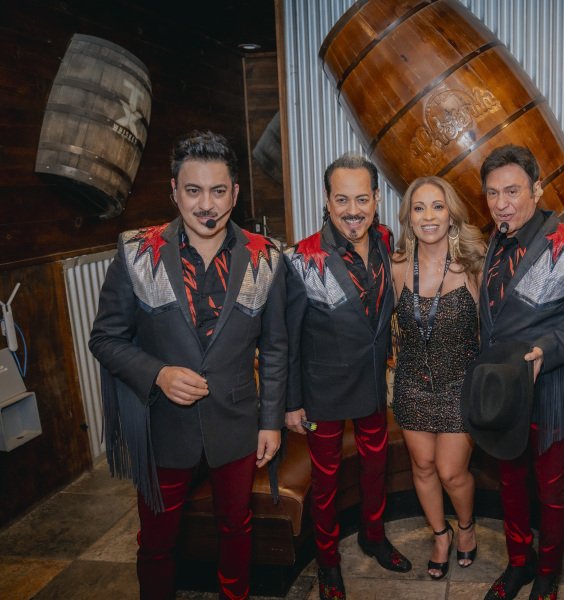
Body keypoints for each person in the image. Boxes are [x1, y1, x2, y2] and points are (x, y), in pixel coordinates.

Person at [89, 130, 287, 600]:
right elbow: (105, 338)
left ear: (234, 194)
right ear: (174, 190)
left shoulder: (267, 256)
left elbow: (276, 348)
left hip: (236, 424)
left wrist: (271, 422)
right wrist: (158, 374)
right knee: (157, 542)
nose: (206, 205)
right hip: (163, 428)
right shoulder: (136, 252)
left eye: (218, 191)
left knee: (236, 528)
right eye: (193, 190)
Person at [283, 153, 411, 600]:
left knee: (377, 466)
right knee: (326, 482)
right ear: (327, 199)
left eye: (362, 199)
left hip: (373, 383)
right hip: (323, 391)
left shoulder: (386, 239)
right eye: (342, 199)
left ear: (376, 199)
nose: (352, 210)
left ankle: (373, 536)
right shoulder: (301, 257)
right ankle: (328, 562)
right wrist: (292, 402)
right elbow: (287, 337)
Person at [474, 144, 564, 600]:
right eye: (493, 193)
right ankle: (519, 562)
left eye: (512, 191)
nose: (501, 203)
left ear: (537, 189)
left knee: (552, 491)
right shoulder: (494, 241)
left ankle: (548, 572)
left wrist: (546, 351)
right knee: (511, 484)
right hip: (504, 392)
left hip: (550, 388)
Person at [390, 175, 485, 580]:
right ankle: (440, 535)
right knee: (424, 465)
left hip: (460, 386)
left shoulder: (474, 264)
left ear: (451, 215)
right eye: (419, 207)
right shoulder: (396, 267)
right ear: (409, 218)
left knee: (450, 471)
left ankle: (466, 527)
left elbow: (492, 330)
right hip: (412, 384)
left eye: (437, 206)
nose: (428, 216)